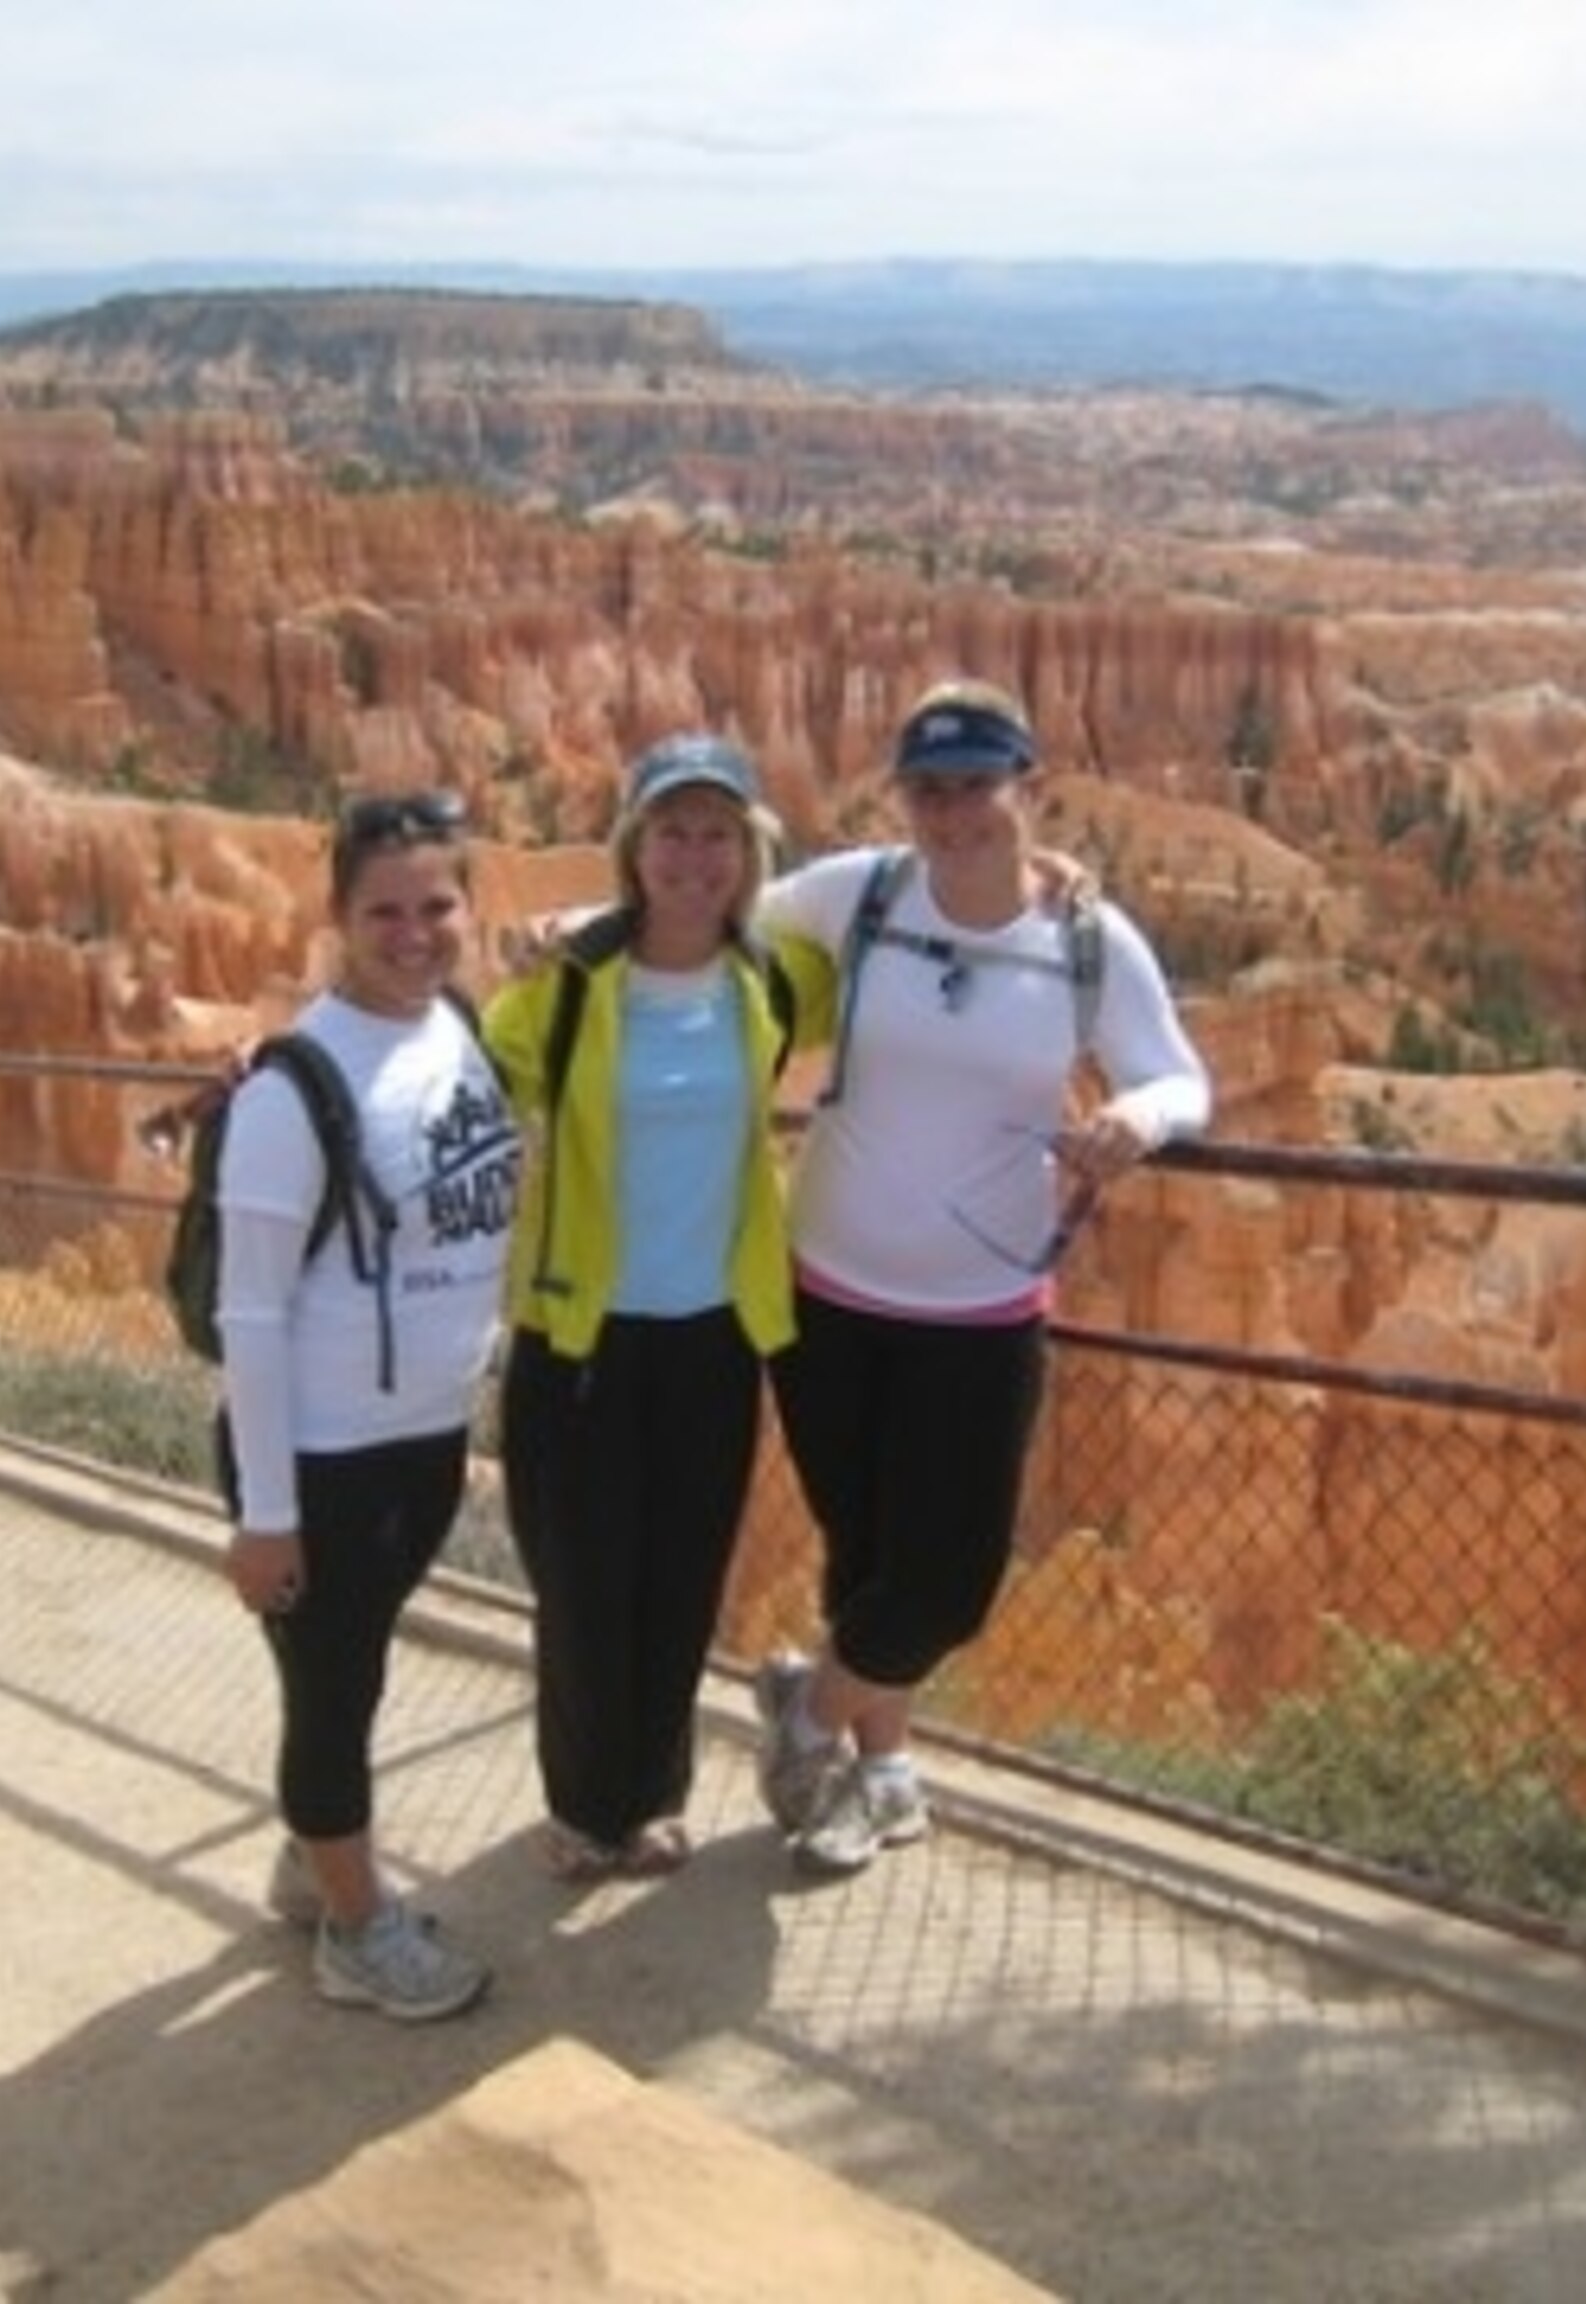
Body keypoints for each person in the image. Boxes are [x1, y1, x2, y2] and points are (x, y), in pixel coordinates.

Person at [751, 678, 1213, 1876]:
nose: (952, 813)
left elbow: (1179, 1076)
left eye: (976, 787)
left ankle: (808, 1711)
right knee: (865, 1555)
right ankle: (879, 1775)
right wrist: (577, 923)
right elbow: (711, 907)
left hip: (981, 1311)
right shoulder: (860, 893)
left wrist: (1138, 1121)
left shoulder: (1086, 941)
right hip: (827, 1293)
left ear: (1029, 788)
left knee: (950, 1580)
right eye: (929, 790)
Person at [481, 732, 815, 1883]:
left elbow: (906, 923)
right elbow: (471, 1075)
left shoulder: (772, 979)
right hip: (580, 1331)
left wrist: (1048, 876)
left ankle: (654, 1798)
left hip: (714, 1333)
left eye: (718, 834)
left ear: (748, 853)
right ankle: (585, 1808)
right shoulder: (569, 983)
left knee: (680, 1577)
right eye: (672, 831)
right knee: (581, 1585)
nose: (694, 856)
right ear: (634, 847)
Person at [214, 788, 520, 2019]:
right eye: (384, 911)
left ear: (468, 909)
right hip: (324, 1455)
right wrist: (267, 1515)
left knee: (355, 1670)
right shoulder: (292, 1089)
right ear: (339, 916)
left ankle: (314, 1862)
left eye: (436, 905)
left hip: (424, 1439)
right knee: (334, 1697)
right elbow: (250, 1313)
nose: (413, 933)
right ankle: (356, 1929)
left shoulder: (458, 1030)